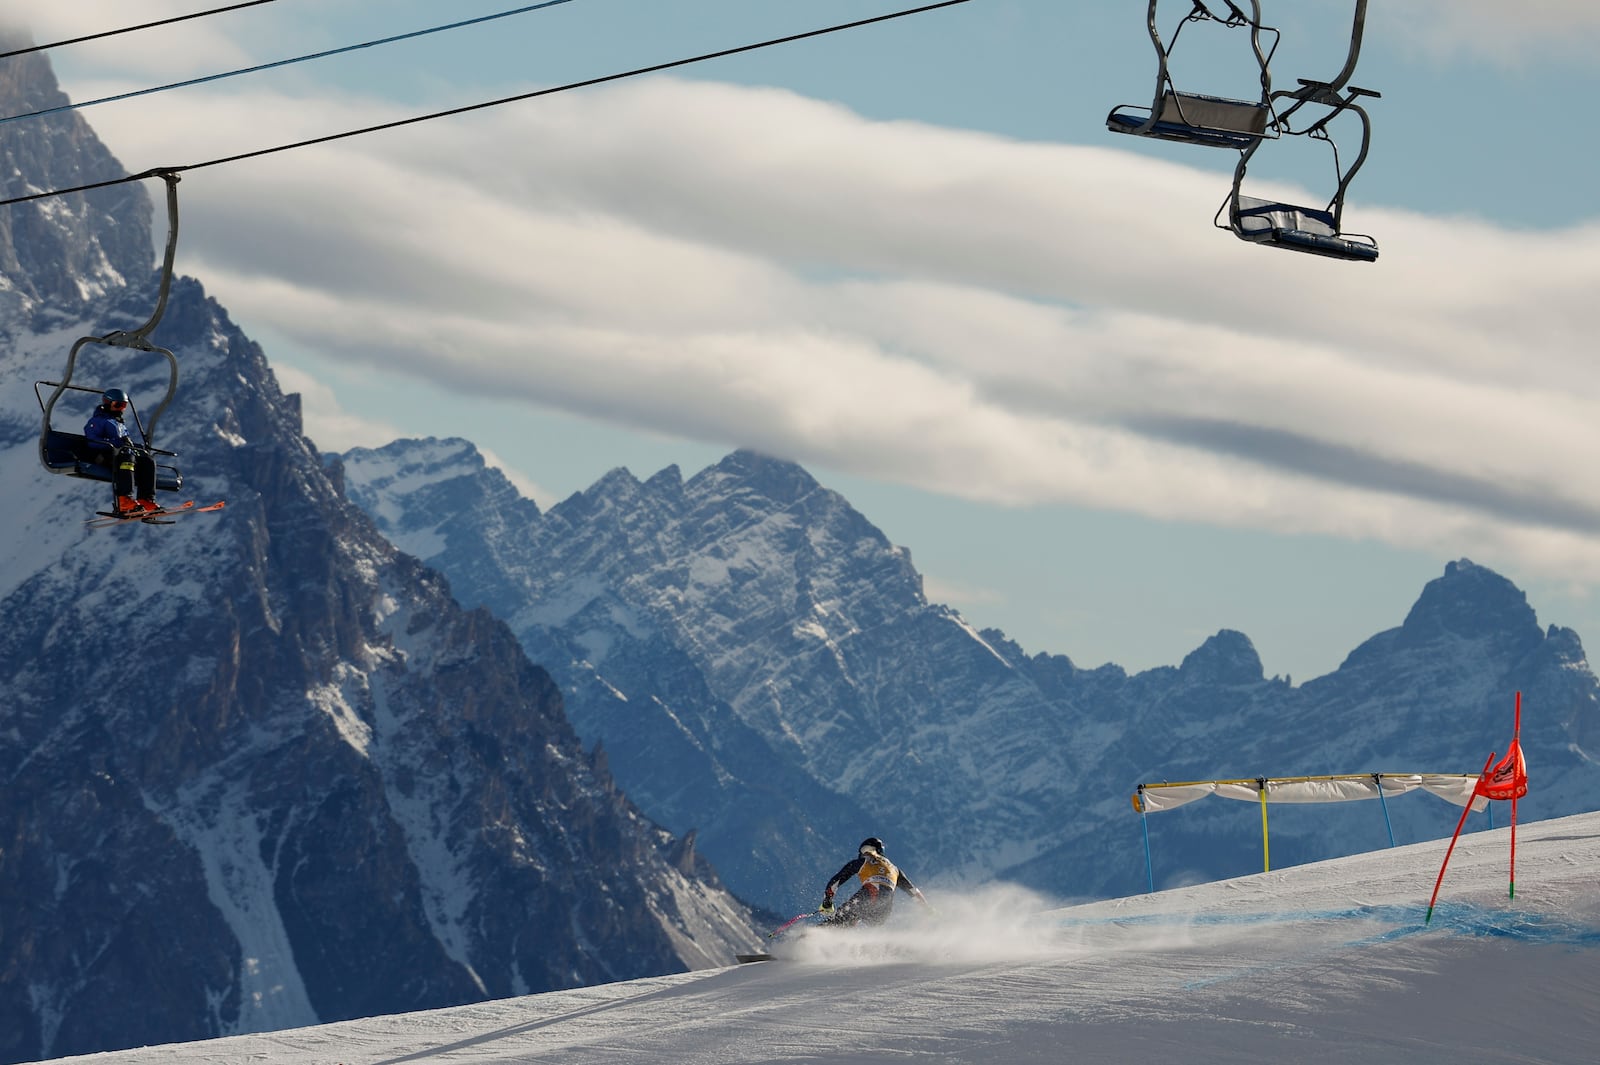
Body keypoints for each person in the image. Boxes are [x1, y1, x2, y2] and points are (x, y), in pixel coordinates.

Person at [819, 836, 927, 927]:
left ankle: (818, 934)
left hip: (871, 893)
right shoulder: (895, 869)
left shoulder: (864, 861)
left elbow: (837, 880)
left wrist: (827, 902)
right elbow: (913, 891)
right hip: (885, 907)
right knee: (856, 917)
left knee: (842, 916)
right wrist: (927, 908)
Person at [83, 388, 160, 515]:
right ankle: (124, 499)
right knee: (127, 459)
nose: (121, 409)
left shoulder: (118, 423)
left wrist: (135, 447)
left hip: (121, 454)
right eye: (118, 405)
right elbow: (92, 440)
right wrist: (116, 443)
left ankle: (145, 499)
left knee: (148, 460)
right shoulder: (98, 421)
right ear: (108, 403)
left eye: (124, 406)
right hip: (103, 456)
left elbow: (123, 442)